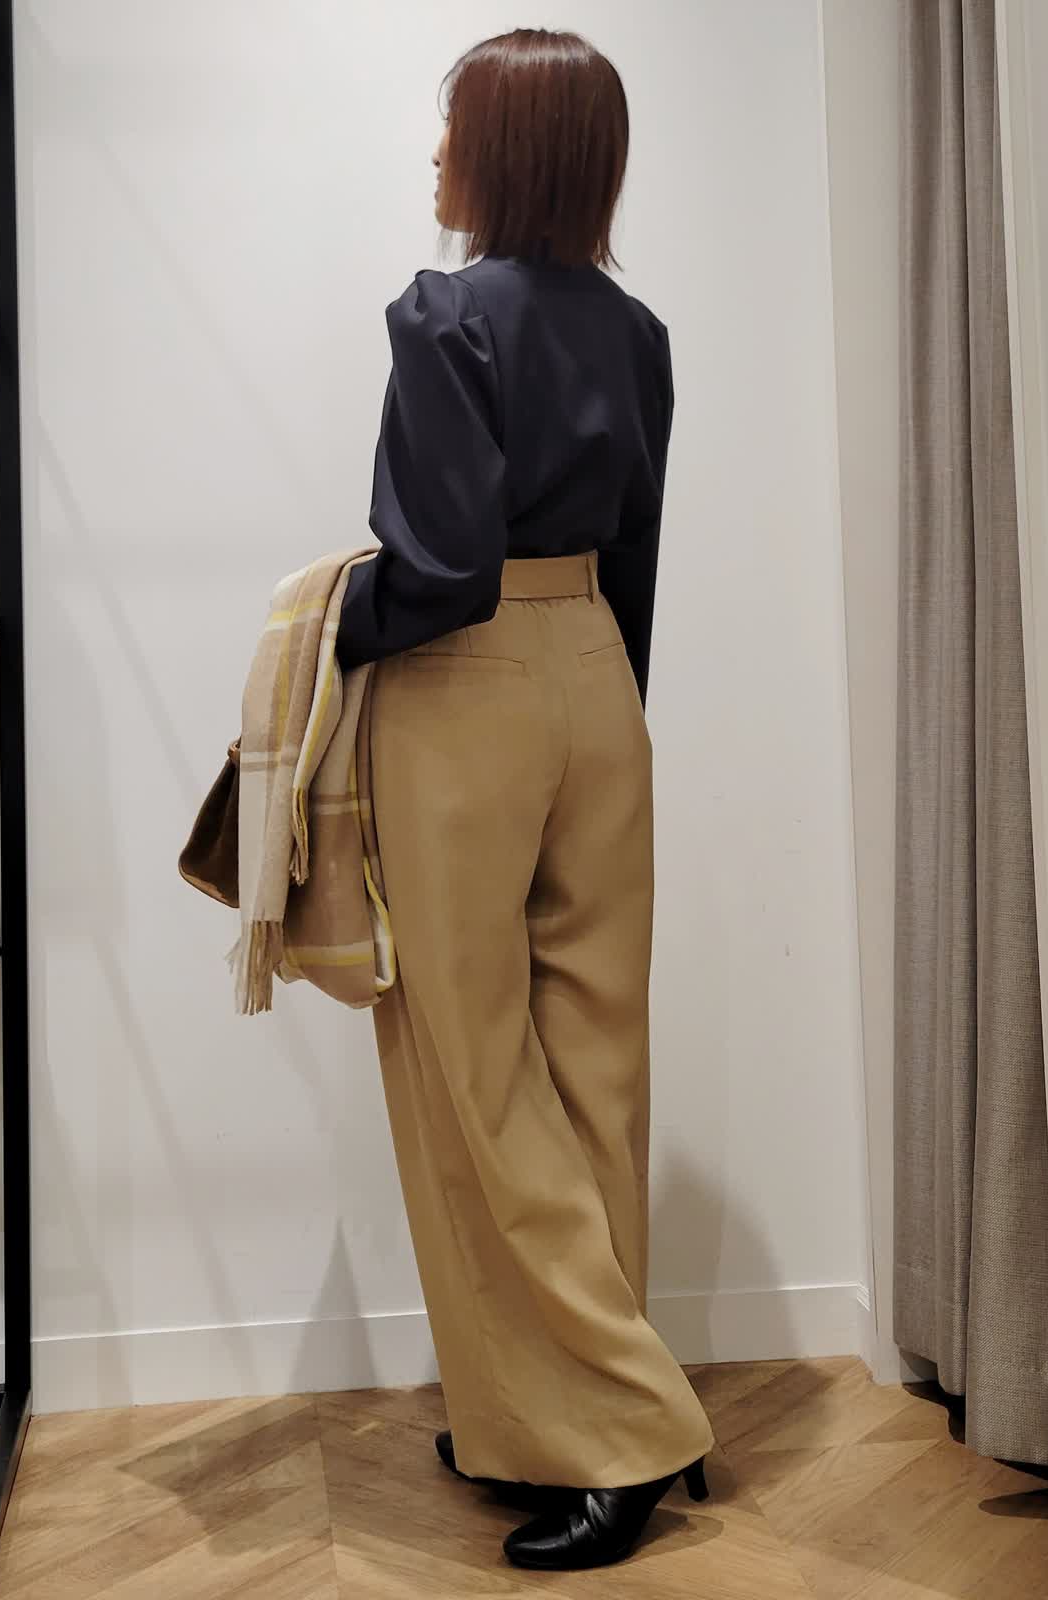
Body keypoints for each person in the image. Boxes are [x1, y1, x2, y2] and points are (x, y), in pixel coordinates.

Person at [335, 27, 716, 1571]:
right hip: (598, 677)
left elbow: (436, 570)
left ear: (501, 150)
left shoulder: (447, 315)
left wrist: (325, 620)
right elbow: (636, 557)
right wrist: (605, 704)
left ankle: (621, 1426)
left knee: (472, 1070)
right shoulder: (638, 332)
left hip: (467, 691)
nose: (435, 154)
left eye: (453, 128)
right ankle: (542, 1418)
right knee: (594, 1063)